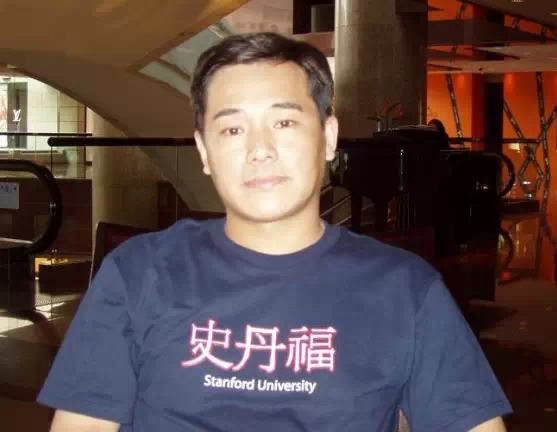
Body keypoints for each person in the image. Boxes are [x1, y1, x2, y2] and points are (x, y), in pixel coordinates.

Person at [38, 32, 512, 431]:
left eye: (284, 122)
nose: (260, 149)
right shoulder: (139, 272)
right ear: (204, 152)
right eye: (232, 130)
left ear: (328, 138)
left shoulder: (407, 289)